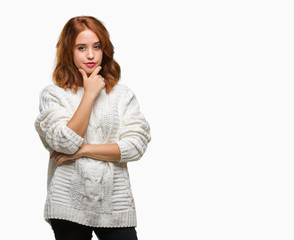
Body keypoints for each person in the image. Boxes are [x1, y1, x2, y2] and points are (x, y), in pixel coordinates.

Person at [34, 16, 151, 240]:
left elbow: (135, 146)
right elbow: (65, 143)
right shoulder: (53, 94)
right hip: (67, 202)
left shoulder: (122, 95)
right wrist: (89, 94)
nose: (90, 55)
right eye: (81, 47)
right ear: (69, 51)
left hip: (115, 204)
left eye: (96, 47)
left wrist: (83, 151)